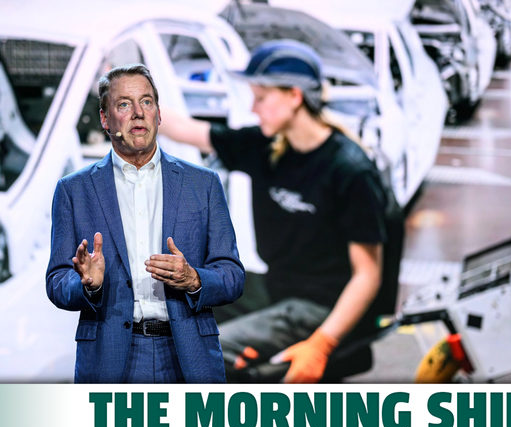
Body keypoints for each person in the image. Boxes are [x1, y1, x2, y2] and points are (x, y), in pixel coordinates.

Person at [159, 40, 387, 384]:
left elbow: (368, 275)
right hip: (278, 287)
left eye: (261, 98)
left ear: (294, 97)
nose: (253, 108)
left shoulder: (349, 170)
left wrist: (322, 343)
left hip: (321, 306)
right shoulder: (266, 148)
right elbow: (188, 129)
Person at [46, 64, 245, 392]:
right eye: (124, 104)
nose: (138, 113)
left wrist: (194, 278)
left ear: (159, 114)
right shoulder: (73, 190)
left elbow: (232, 276)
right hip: (110, 359)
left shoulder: (203, 184)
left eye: (147, 102)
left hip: (188, 356)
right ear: (105, 120)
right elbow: (56, 283)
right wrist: (88, 285)